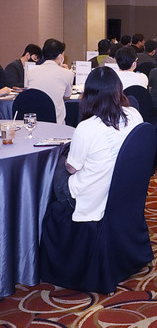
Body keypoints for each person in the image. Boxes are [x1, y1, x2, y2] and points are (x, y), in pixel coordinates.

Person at [52, 67, 142, 221]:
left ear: (88, 94)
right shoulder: (135, 115)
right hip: (125, 189)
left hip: (91, 196)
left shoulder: (86, 128)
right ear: (119, 90)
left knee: (55, 163)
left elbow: (72, 169)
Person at [26, 38, 74, 125]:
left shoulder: (30, 72)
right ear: (60, 56)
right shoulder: (67, 74)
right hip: (56, 123)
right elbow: (67, 96)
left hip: (35, 122)